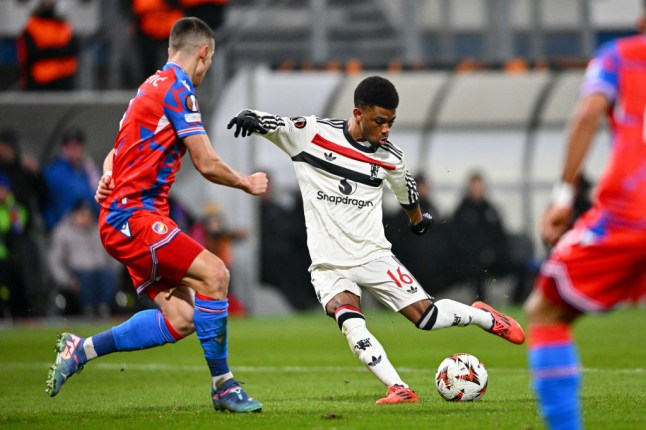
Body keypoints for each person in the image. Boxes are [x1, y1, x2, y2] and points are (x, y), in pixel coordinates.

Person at [227, 75, 525, 405]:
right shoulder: (313, 134)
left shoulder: (389, 156)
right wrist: (250, 118)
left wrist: (417, 221)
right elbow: (276, 123)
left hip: (374, 256)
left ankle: (484, 316)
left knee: (427, 318)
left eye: (391, 123)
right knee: (348, 318)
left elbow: (407, 190)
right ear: (358, 113)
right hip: (328, 263)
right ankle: (399, 388)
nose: (386, 130)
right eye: (380, 121)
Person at [45, 17, 268, 414]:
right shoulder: (179, 92)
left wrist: (109, 175)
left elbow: (117, 150)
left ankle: (81, 350)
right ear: (203, 53)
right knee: (216, 275)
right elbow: (205, 161)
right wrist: (246, 182)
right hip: (135, 218)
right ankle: (223, 387)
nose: (206, 70)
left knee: (182, 318)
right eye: (209, 61)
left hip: (126, 218)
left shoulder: (147, 88)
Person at [523, 12, 646, 429]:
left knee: (546, 310)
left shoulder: (621, 56)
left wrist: (563, 197)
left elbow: (587, 112)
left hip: (630, 212)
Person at [48, 200, 118, 319]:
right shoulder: (63, 232)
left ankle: (104, 308)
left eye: (88, 215)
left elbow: (115, 254)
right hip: (78, 274)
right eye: (82, 214)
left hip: (101, 273)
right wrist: (67, 280)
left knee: (108, 275)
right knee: (86, 277)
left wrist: (114, 270)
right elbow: (55, 261)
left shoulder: (100, 230)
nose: (85, 218)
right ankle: (88, 309)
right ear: (74, 214)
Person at [449, 171, 510, 302]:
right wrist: (477, 254)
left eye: (481, 188)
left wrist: (493, 253)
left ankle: (517, 301)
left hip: (493, 259)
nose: (478, 191)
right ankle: (481, 305)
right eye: (475, 188)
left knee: (519, 266)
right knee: (476, 272)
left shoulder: (491, 210)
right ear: (469, 189)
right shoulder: (461, 212)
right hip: (469, 261)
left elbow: (501, 238)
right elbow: (457, 241)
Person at [42, 127, 101, 232]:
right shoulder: (53, 172)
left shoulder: (89, 169)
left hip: (89, 226)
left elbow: (96, 199)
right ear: (63, 148)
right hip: (63, 227)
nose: (75, 150)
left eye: (78, 145)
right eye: (70, 146)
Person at [16, 0, 79, 91]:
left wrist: (48, 50)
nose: (48, 3)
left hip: (64, 81)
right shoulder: (32, 26)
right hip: (39, 83)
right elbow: (32, 53)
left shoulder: (64, 26)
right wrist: (57, 51)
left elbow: (72, 49)